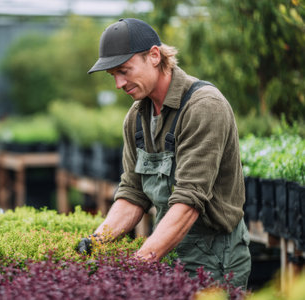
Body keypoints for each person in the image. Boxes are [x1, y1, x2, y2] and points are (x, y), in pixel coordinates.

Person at [77, 18, 251, 288]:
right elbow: (132, 194)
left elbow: (189, 201)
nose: (119, 84)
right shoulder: (136, 118)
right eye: (113, 75)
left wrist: (137, 264)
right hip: (167, 250)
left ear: (154, 56)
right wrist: (94, 244)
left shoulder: (204, 107)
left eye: (124, 70)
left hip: (215, 259)